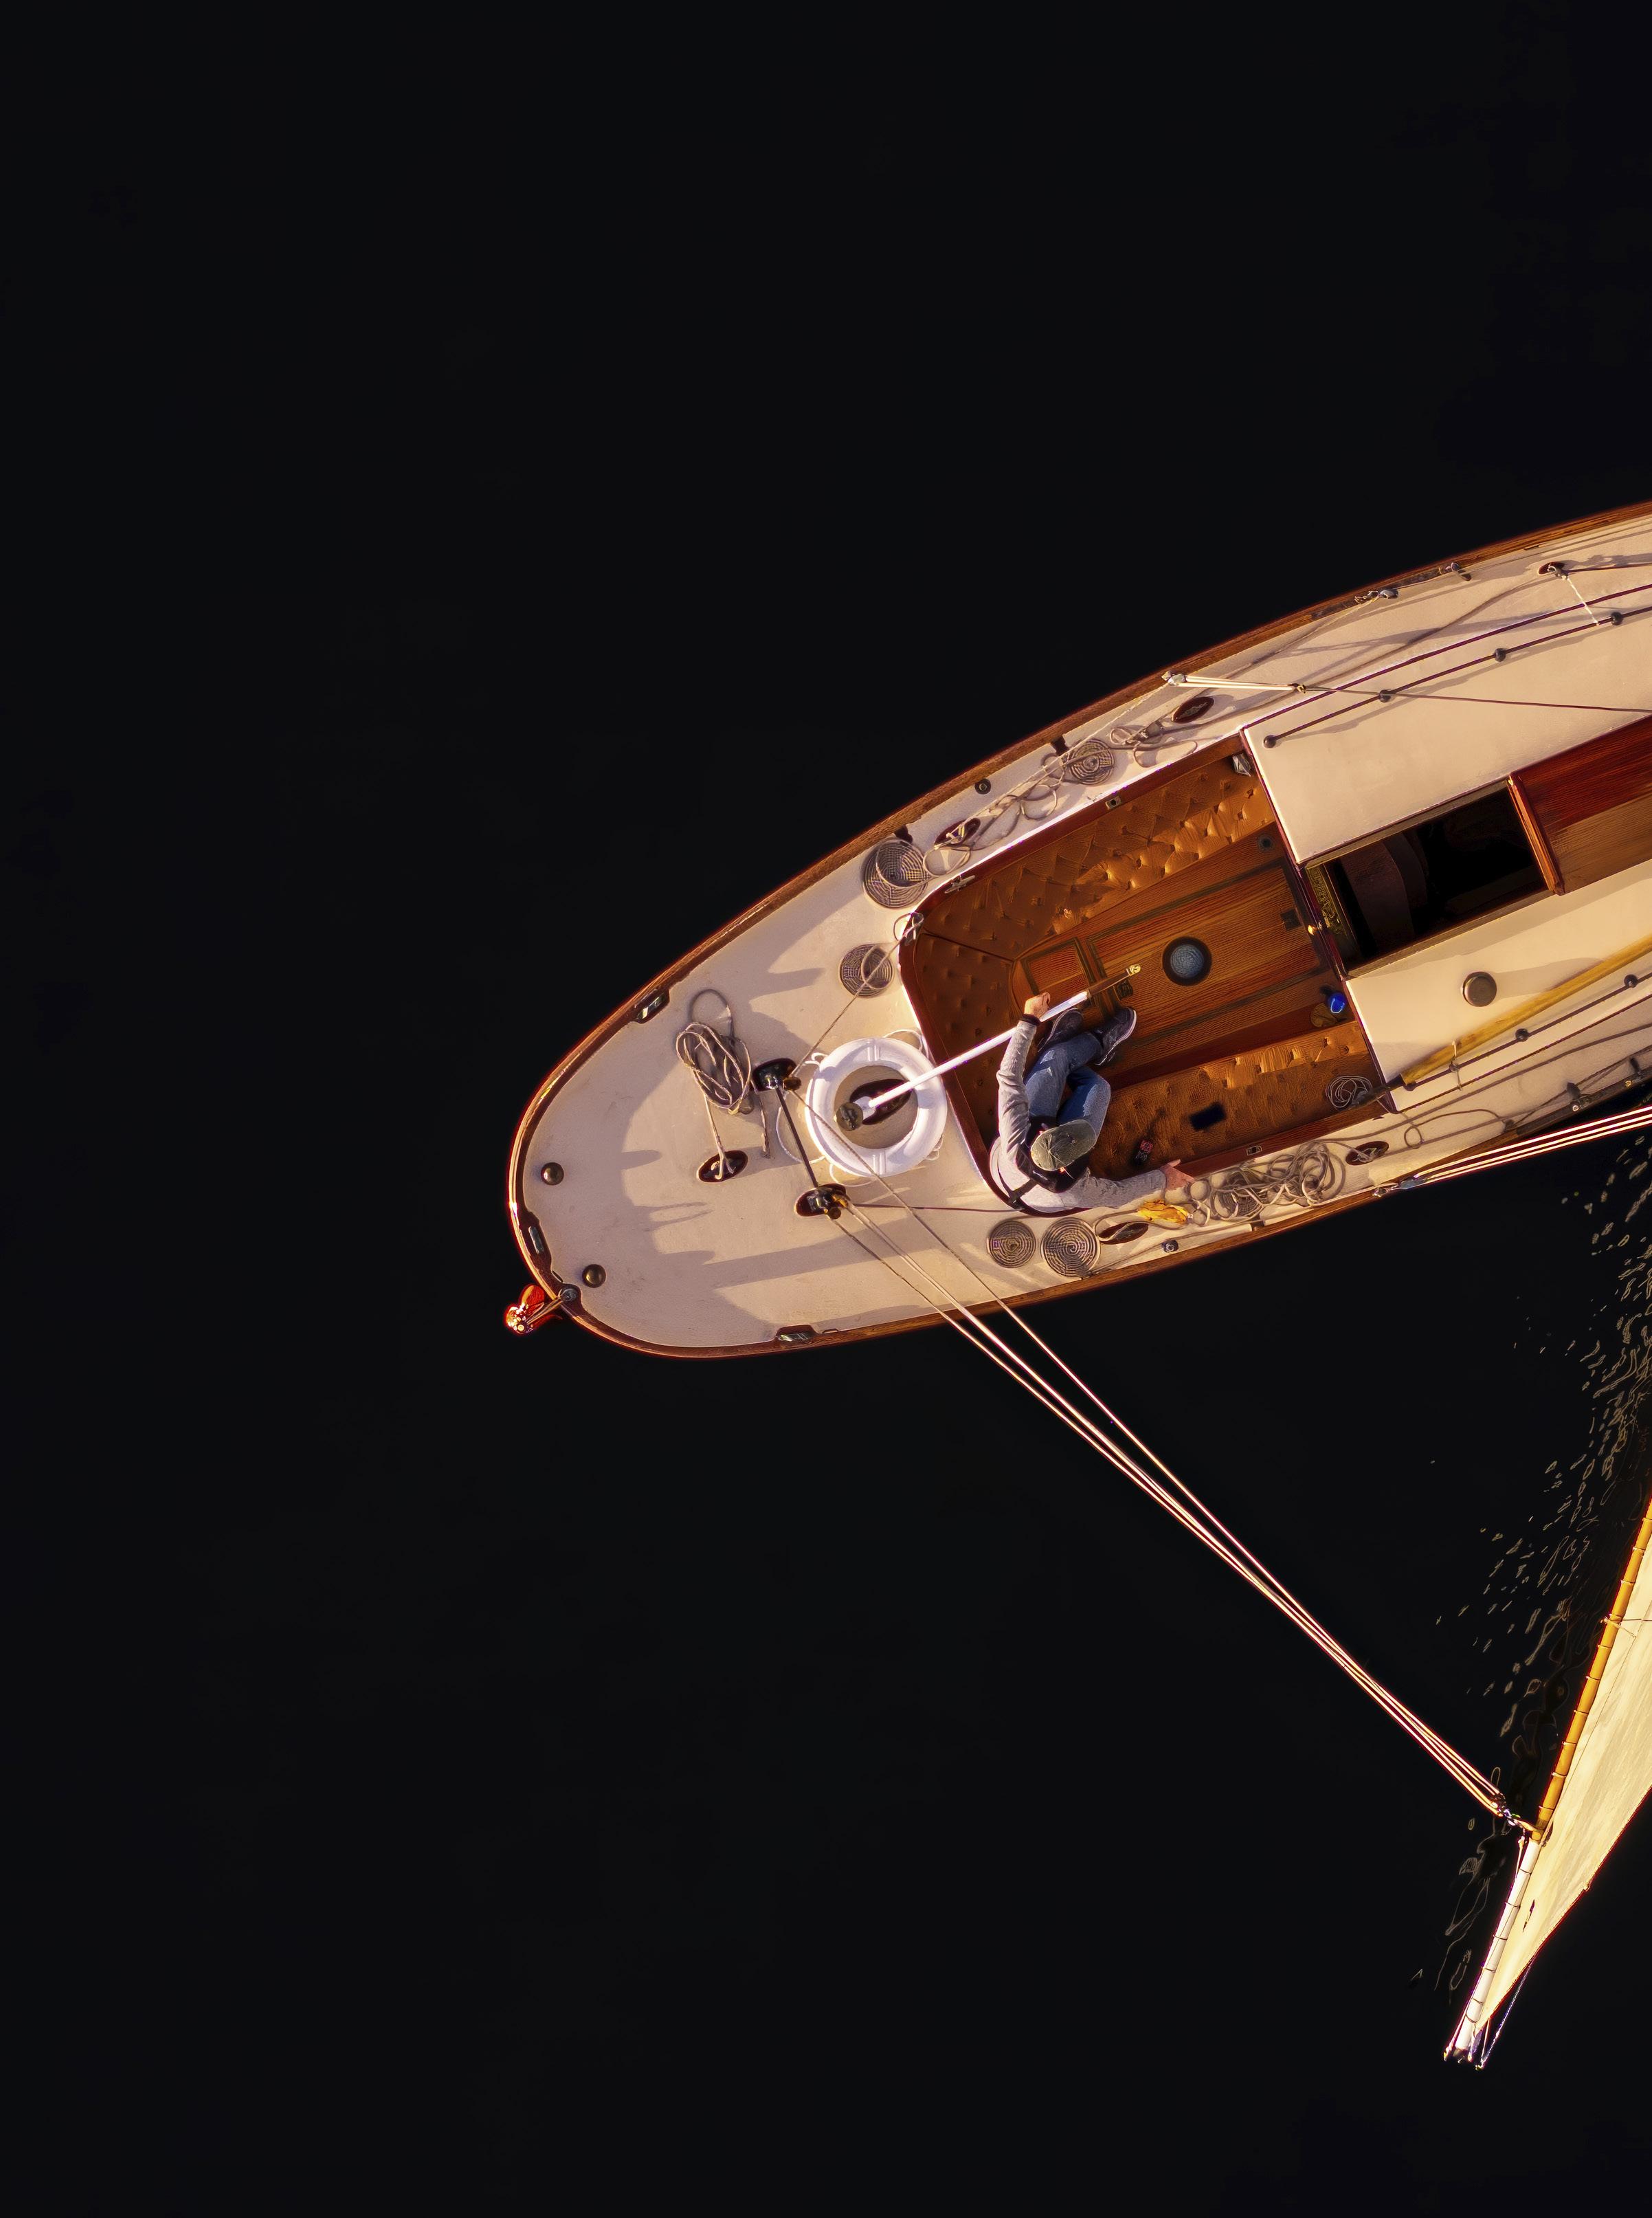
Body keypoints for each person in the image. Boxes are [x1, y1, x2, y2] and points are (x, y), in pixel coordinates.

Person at [987, 990, 1192, 1215]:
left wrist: (1029, 1019)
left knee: (1057, 1058)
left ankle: (1072, 1048)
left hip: (1017, 1143)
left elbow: (1008, 1077)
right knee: (1100, 1088)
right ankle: (1068, 1052)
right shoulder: (1075, 1192)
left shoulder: (1014, 1135)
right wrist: (1162, 1178)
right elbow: (1119, 1195)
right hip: (1032, 1187)